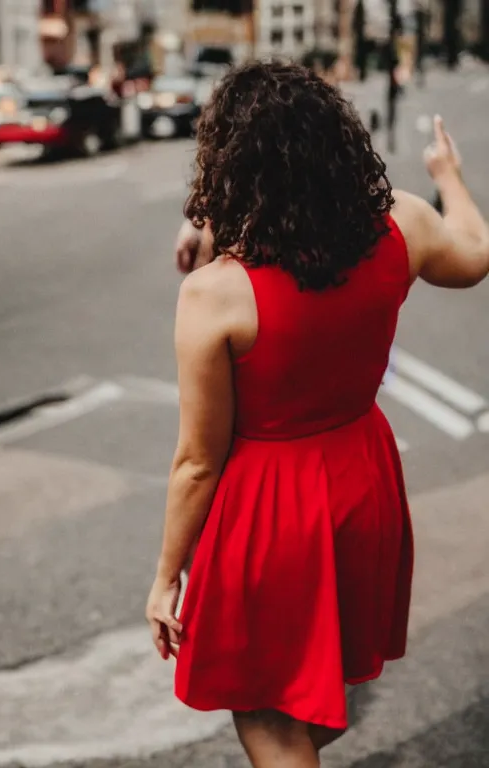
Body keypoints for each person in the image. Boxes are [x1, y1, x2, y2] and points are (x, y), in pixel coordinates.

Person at [147, 62, 489, 768]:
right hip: (363, 480)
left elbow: (197, 462)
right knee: (315, 693)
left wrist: (165, 575)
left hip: (271, 510)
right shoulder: (402, 224)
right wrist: (447, 172)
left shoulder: (217, 294)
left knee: (269, 718)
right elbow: (476, 256)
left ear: (226, 167)